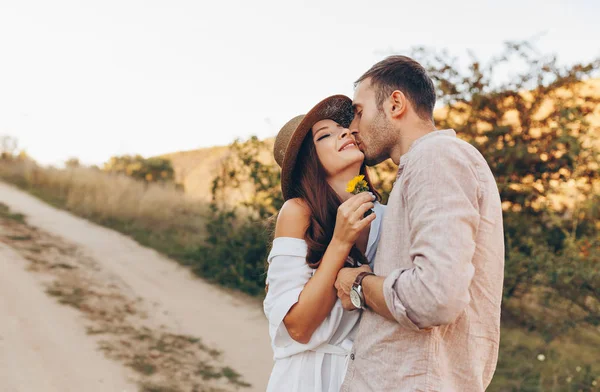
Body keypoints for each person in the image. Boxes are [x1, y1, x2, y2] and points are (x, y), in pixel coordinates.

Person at [334, 55, 505, 391]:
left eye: (359, 111)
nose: (352, 128)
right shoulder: (426, 164)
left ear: (396, 103)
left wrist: (359, 284)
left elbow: (435, 295)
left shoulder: (435, 158)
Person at [263, 95, 386, 392]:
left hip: (368, 376)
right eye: (325, 135)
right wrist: (340, 241)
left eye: (342, 128)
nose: (345, 132)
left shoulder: (385, 216)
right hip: (308, 377)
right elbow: (299, 327)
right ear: (310, 162)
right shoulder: (298, 212)